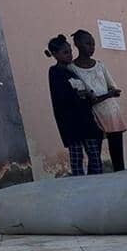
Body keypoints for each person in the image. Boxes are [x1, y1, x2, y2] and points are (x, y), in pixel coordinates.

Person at [45, 34, 103, 176]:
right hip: (71, 122)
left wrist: (88, 95)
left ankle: (97, 182)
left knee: (95, 156)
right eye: (65, 52)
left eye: (70, 51)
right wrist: (81, 95)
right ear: (55, 54)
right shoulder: (55, 72)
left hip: (86, 119)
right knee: (77, 157)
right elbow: (64, 96)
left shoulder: (72, 71)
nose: (70, 55)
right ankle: (79, 184)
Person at [70, 29, 126, 172]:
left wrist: (112, 93)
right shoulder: (72, 69)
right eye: (88, 44)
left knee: (117, 154)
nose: (91, 48)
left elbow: (112, 86)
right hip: (91, 114)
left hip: (110, 111)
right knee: (94, 154)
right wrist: (108, 94)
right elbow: (82, 95)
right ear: (77, 44)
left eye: (93, 44)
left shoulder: (100, 65)